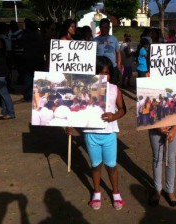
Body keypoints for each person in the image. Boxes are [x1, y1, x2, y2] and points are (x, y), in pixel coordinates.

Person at [67, 56, 126, 210]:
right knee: (95, 165)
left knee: (111, 166)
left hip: (109, 135)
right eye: (99, 72)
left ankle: (116, 192)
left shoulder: (114, 89)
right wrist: (70, 124)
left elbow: (122, 109)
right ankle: (97, 192)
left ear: (110, 74)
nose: (103, 76)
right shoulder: (85, 89)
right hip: (90, 134)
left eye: (106, 73)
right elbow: (76, 109)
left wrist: (114, 116)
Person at [148, 126, 176, 207]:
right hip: (155, 126)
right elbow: (145, 113)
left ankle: (170, 191)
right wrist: (157, 127)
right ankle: (157, 190)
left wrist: (174, 129)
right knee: (157, 158)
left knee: (170, 159)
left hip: (173, 126)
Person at [94, 18, 122, 86]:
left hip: (113, 68)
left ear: (109, 27)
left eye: (106, 27)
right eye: (102, 27)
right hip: (100, 69)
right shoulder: (95, 40)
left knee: (113, 86)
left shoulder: (114, 39)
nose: (104, 29)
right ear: (99, 27)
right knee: (100, 87)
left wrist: (118, 65)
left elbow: (118, 52)